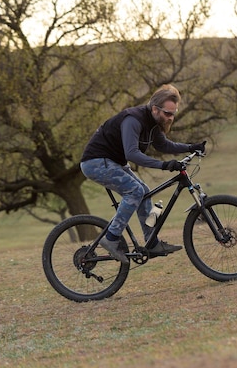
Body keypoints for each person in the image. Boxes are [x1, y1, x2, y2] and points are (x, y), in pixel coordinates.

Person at [80, 84, 206, 263]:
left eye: (173, 113)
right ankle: (111, 238)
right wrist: (164, 165)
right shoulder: (134, 120)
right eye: (167, 113)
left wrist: (191, 147)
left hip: (113, 162)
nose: (171, 118)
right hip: (96, 162)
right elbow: (132, 154)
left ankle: (151, 241)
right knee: (135, 191)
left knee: (145, 192)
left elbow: (163, 145)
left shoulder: (154, 123)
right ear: (155, 109)